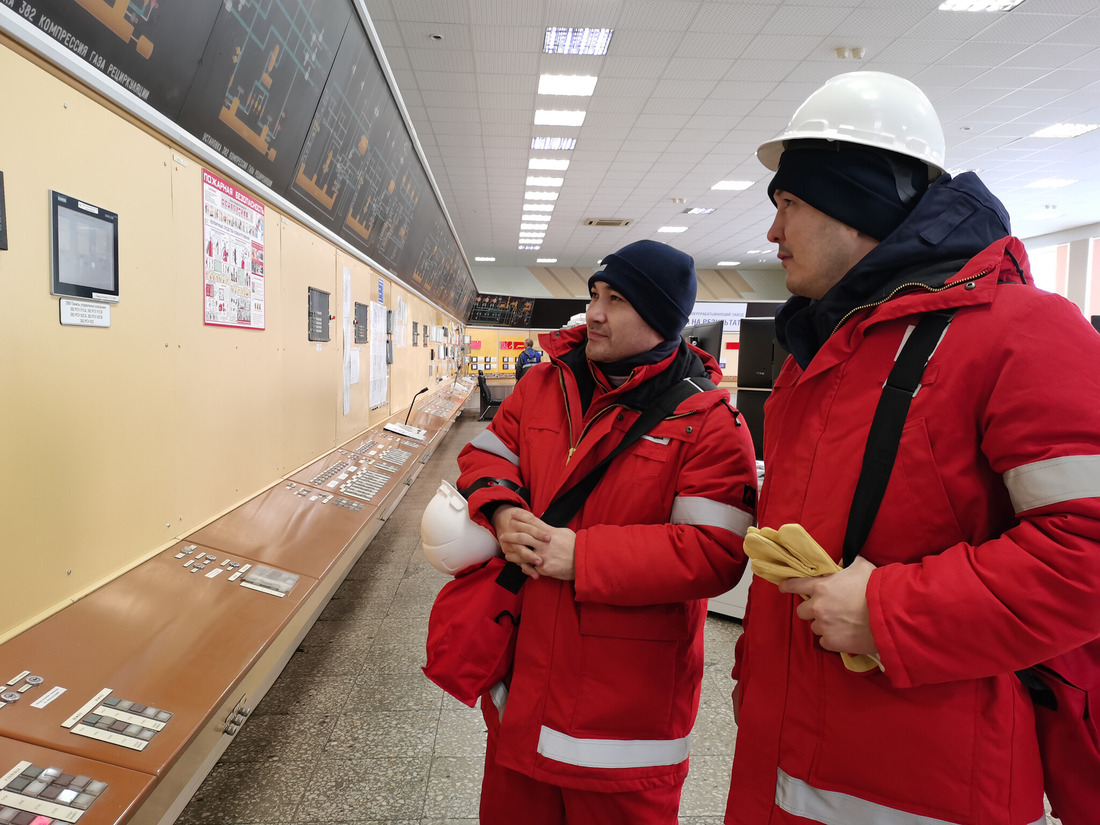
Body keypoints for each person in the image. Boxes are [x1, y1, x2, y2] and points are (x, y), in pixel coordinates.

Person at [724, 71, 1100, 825]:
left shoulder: (1026, 332)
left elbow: (1086, 551)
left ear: (857, 200)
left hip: (928, 786)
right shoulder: (815, 355)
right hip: (778, 761)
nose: (772, 233)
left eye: (788, 204)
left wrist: (894, 611)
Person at [454, 239, 757, 824]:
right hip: (522, 693)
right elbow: (487, 456)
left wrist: (585, 556)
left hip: (621, 725)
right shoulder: (543, 386)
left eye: (617, 299)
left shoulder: (710, 423)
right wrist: (502, 509)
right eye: (596, 294)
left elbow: (716, 554)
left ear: (662, 317)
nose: (594, 311)